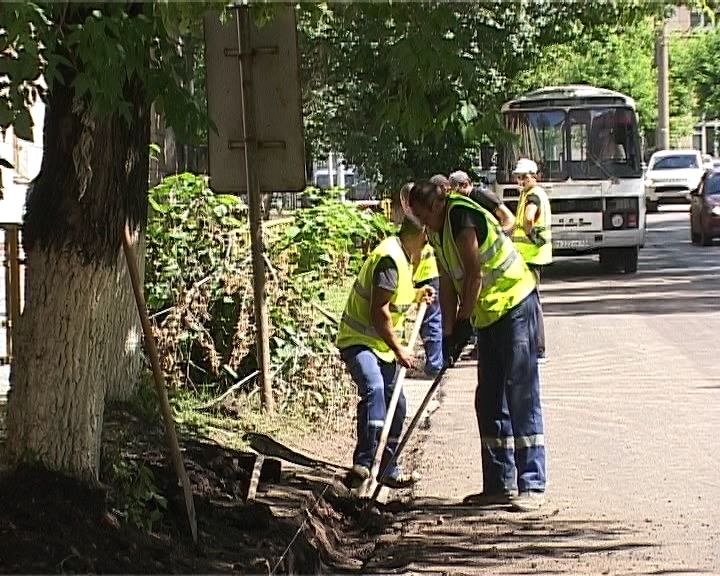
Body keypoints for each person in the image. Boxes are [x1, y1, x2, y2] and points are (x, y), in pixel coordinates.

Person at [408, 181, 546, 512]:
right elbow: (448, 287)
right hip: (489, 316)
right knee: (488, 399)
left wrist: (465, 321)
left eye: (424, 216)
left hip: (514, 304)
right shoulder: (437, 232)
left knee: (520, 393)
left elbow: (473, 275)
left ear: (437, 205)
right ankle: (499, 483)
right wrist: (448, 335)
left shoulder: (460, 218)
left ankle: (532, 484)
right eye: (418, 218)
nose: (422, 224)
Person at [337, 218, 435, 488]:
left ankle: (389, 467)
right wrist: (399, 349)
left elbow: (394, 297)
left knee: (398, 404)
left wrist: (417, 295)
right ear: (422, 233)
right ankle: (364, 464)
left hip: (382, 347)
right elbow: (378, 312)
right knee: (374, 389)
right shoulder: (390, 259)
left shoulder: (404, 258)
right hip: (359, 341)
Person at [393, 182, 444, 376]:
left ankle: (434, 365)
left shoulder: (414, 221)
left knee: (430, 322)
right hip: (426, 274)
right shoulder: (420, 219)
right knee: (429, 322)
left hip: (424, 275)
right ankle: (432, 363)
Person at [510, 158, 552, 363]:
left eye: (524, 177)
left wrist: (531, 235)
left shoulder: (533, 195)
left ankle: (538, 348)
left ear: (534, 176)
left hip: (530, 256)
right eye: (519, 177)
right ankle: (536, 347)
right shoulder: (531, 193)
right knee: (531, 300)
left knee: (532, 302)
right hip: (531, 255)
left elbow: (528, 219)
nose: (521, 180)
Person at [448, 170, 515, 234]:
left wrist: (500, 235)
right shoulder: (469, 200)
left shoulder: (480, 194)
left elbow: (509, 218)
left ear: (465, 184)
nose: (454, 195)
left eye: (456, 191)